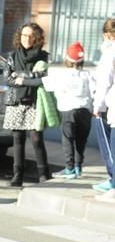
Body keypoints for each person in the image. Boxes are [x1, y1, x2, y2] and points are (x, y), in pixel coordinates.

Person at [3, 22, 51, 187]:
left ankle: (44, 174)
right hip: (16, 101)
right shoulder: (12, 56)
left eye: (31, 36)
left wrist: (22, 77)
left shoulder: (43, 56)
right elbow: (8, 79)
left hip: (35, 102)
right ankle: (18, 175)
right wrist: (30, 78)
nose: (27, 39)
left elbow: (42, 78)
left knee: (36, 138)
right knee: (18, 139)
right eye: (24, 35)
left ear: (36, 38)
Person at [41, 42, 93, 180]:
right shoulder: (88, 75)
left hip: (69, 112)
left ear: (67, 59)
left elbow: (46, 84)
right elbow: (95, 91)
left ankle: (69, 168)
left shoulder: (61, 75)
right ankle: (78, 167)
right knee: (81, 141)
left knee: (68, 139)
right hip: (85, 112)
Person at [92, 18, 115, 200]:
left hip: (109, 105)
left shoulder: (110, 52)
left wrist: (97, 105)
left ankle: (113, 182)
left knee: (110, 147)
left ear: (107, 34)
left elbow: (104, 82)